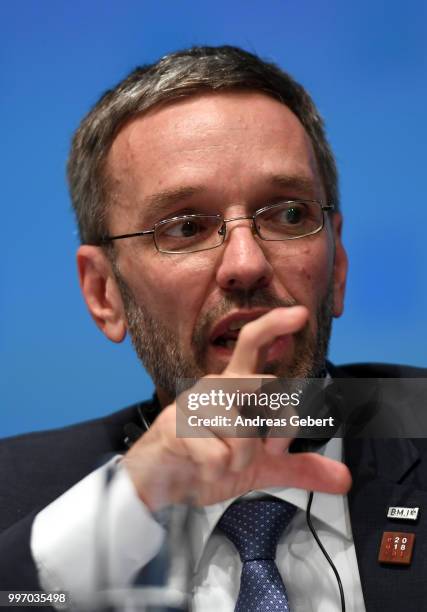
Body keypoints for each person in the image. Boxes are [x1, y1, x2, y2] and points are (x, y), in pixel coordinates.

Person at [0, 45, 426, 612]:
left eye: (289, 214)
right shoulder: (16, 494)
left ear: (338, 264)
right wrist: (123, 508)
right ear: (104, 294)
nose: (246, 264)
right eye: (185, 227)